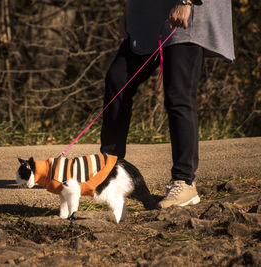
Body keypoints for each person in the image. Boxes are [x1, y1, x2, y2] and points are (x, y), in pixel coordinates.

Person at [100, 0, 234, 208]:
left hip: (186, 13)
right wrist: (130, 10)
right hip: (148, 17)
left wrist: (186, 1)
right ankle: (109, 171)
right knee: (117, 81)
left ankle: (184, 182)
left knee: (178, 96)